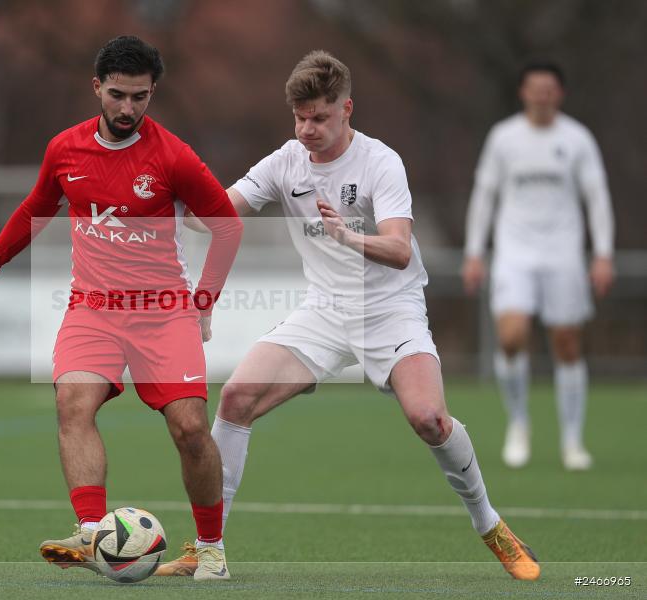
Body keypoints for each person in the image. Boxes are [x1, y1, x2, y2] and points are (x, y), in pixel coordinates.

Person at [157, 51, 539, 580]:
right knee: (237, 396)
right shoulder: (284, 162)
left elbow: (401, 250)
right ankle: (208, 551)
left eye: (319, 116)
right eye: (299, 117)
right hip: (324, 311)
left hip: (391, 310)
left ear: (347, 109)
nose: (307, 129)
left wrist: (347, 235)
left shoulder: (381, 162)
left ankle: (490, 523)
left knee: (429, 419)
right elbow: (216, 214)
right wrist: (170, 197)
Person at [0, 35, 243, 581]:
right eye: (119, 95)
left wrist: (204, 300)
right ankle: (90, 531)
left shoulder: (173, 156)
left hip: (162, 309)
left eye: (140, 97)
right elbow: (35, 209)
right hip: (92, 307)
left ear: (153, 94)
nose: (128, 108)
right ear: (97, 87)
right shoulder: (64, 149)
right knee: (72, 402)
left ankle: (210, 550)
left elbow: (227, 226)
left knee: (191, 428)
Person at [462, 62, 614, 471]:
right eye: (535, 88)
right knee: (510, 337)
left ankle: (572, 440)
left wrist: (603, 253)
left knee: (566, 342)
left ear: (559, 94)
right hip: (515, 252)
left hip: (563, 251)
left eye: (549, 89)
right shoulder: (504, 138)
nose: (541, 95)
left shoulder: (577, 139)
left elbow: (596, 197)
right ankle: (519, 423)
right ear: (523, 92)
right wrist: (474, 252)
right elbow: (485, 195)